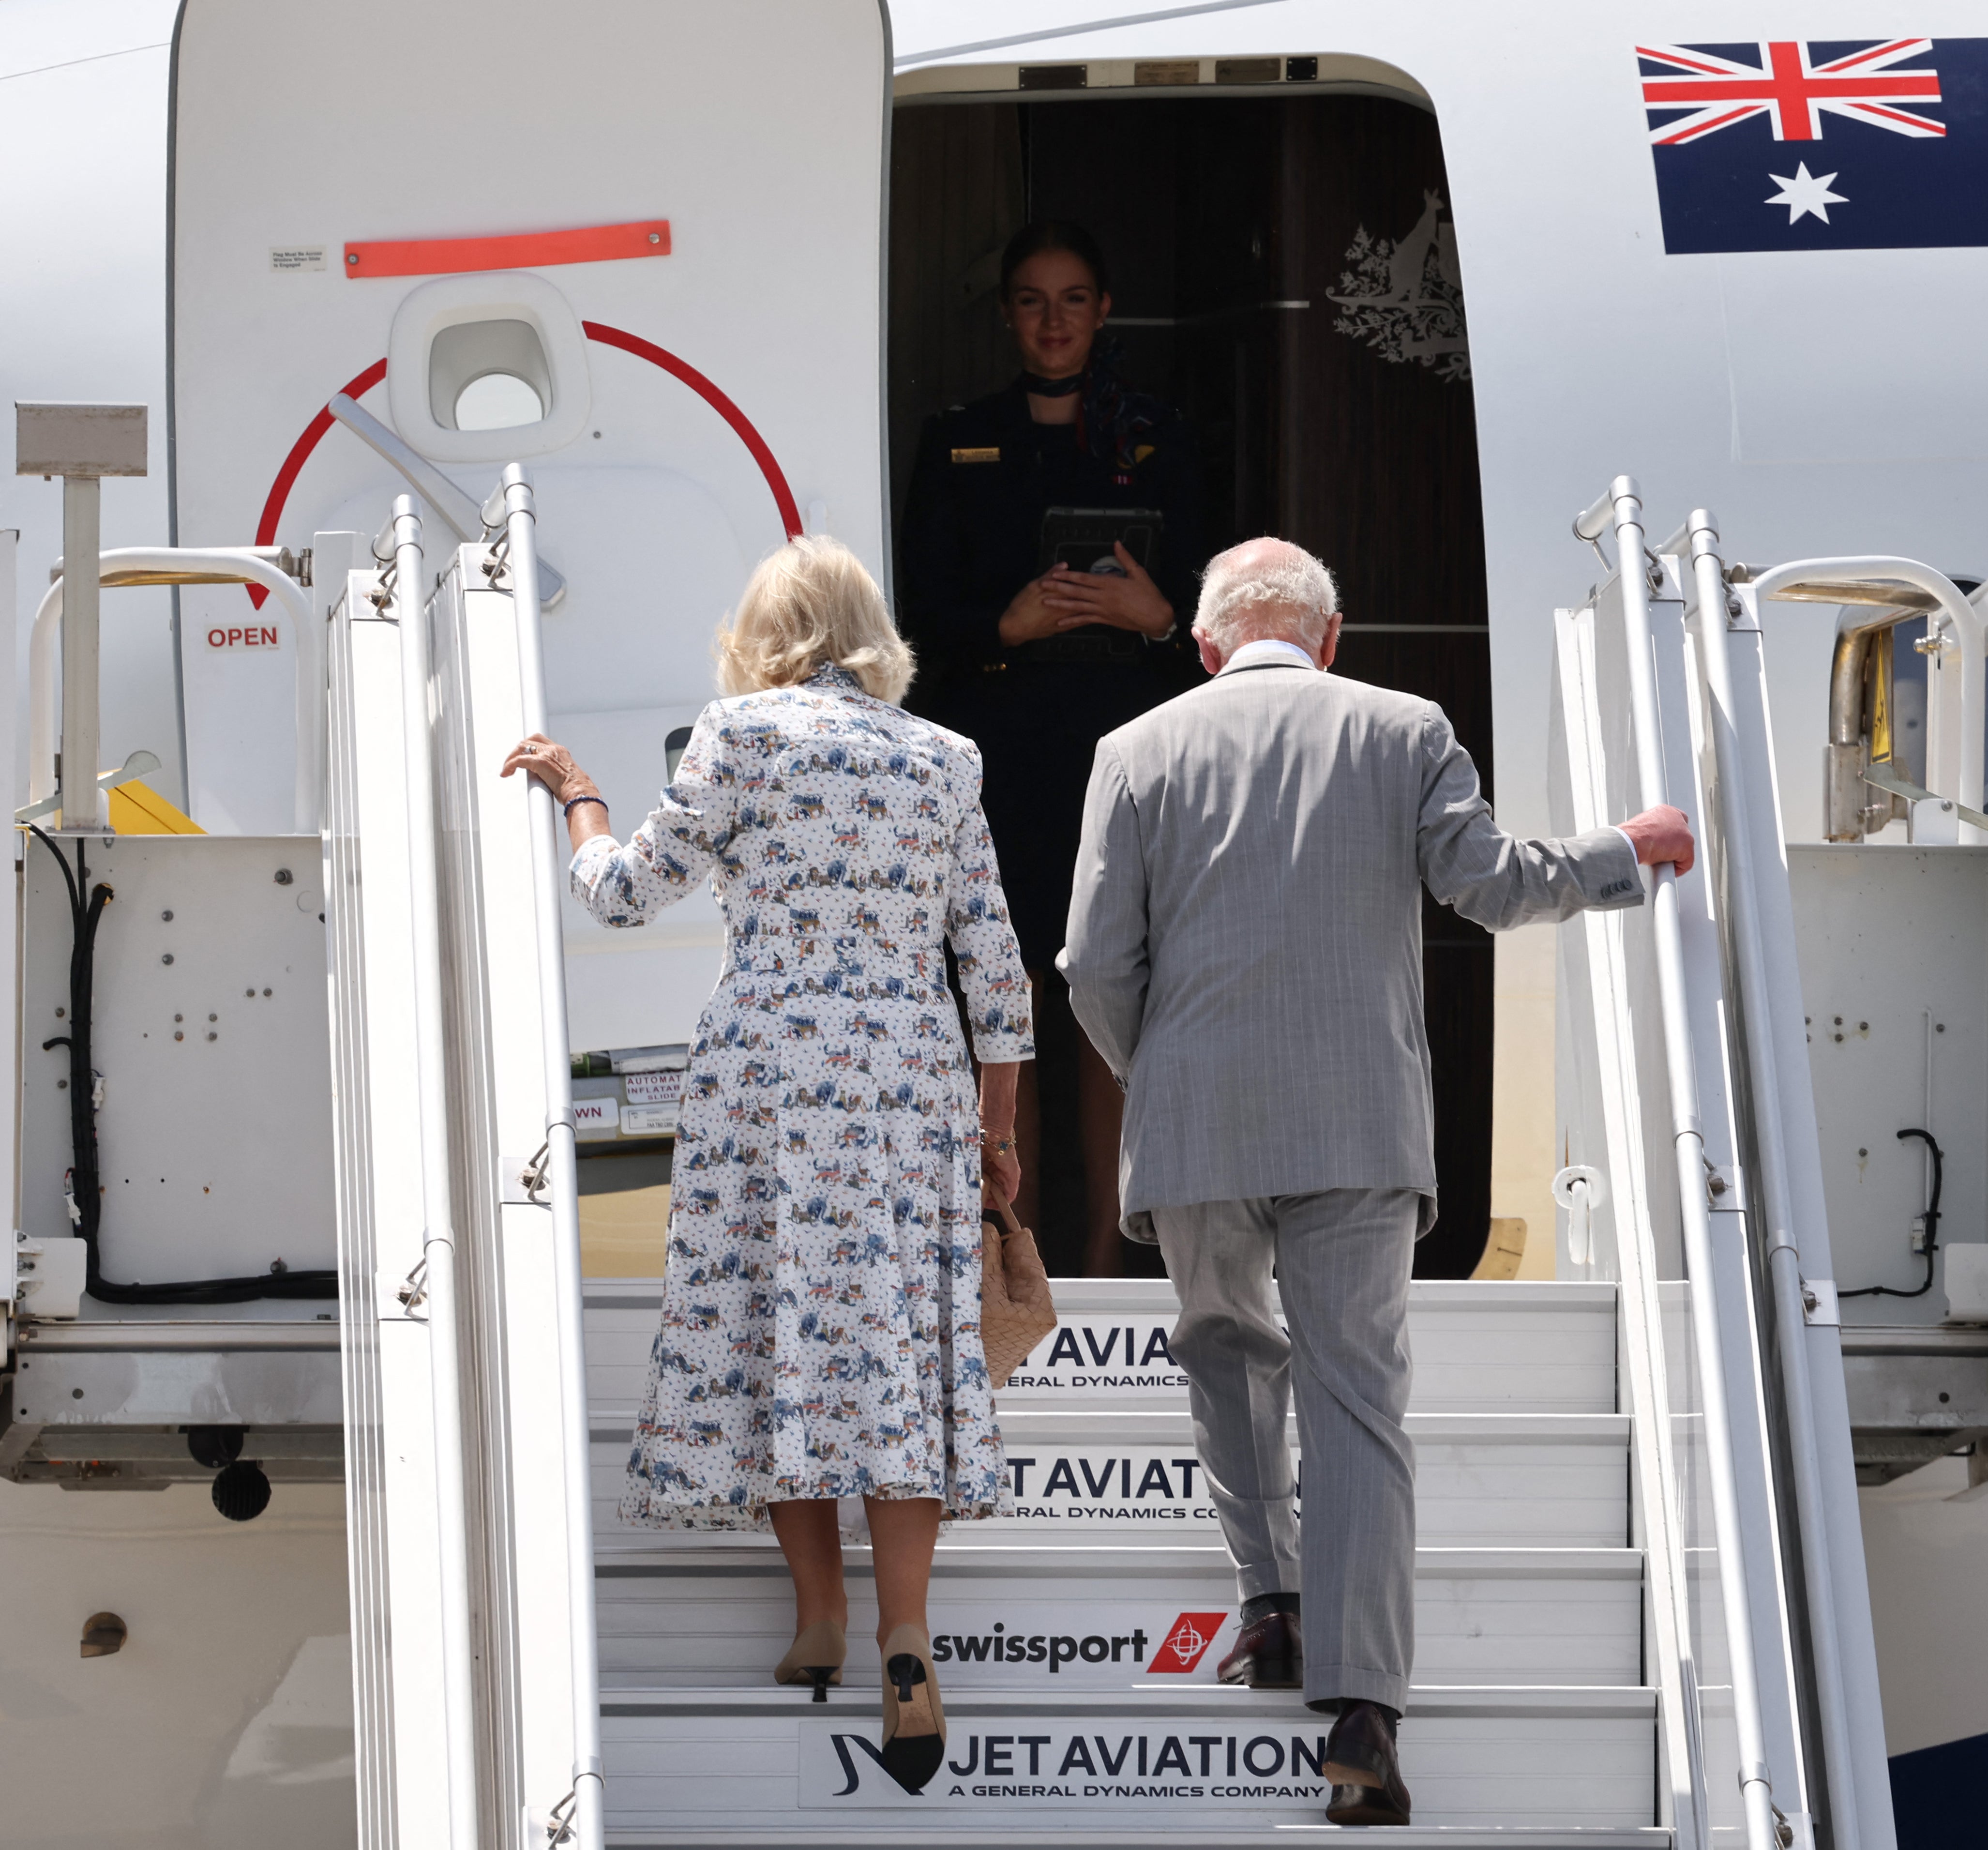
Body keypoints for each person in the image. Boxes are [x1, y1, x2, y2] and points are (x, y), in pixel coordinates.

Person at [1056, 538, 1694, 1826]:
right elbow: (1491, 885)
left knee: (1226, 1349)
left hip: (1197, 1125)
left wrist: (1165, 1072)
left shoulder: (1133, 750)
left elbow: (1087, 963)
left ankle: (1272, 1601)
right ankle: (1361, 1710)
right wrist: (1622, 850)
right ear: (1330, 637)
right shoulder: (1405, 728)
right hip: (1354, 1126)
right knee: (1354, 1398)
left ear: (1204, 646)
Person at [499, 536, 1032, 1789]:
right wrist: (995, 1139)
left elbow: (623, 891)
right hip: (908, 1078)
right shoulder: (945, 757)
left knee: (780, 1327)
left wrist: (577, 790)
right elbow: (997, 978)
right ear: (870, 631)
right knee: (895, 1342)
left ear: (759, 632)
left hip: (771, 1079)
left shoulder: (736, 736)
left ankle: (815, 1620)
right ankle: (905, 1630)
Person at [902, 219, 1203, 1278]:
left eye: (1072, 299)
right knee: (1007, 997)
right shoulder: (956, 440)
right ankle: (1009, 1253)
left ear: (1104, 310)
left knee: (1109, 994)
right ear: (1004, 316)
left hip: (1128, 747)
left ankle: (1107, 1256)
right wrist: (1002, 629)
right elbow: (914, 621)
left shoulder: (1163, 436)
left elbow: (1224, 610)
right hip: (1002, 750)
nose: (1053, 321)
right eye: (1031, 300)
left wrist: (1154, 613)